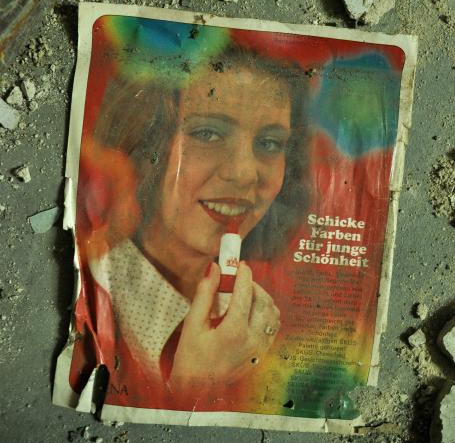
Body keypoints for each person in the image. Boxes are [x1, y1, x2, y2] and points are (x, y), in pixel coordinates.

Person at [77, 24, 309, 410]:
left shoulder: (263, 322)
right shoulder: (91, 295)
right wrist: (196, 386)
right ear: (147, 142)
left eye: (269, 143)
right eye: (207, 134)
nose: (244, 174)